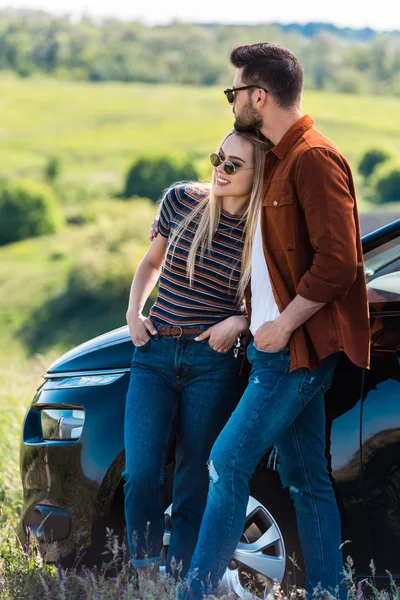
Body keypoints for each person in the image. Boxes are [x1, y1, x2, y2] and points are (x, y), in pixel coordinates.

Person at [174, 42, 370, 599]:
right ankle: (329, 593)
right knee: (307, 483)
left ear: (259, 96)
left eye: (235, 92)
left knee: (224, 462)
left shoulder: (312, 158)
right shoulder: (280, 157)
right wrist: (248, 318)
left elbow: (340, 263)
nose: (231, 102)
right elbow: (272, 262)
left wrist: (283, 323)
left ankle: (197, 593)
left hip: (293, 353)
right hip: (277, 348)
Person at [121, 129, 270, 584]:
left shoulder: (263, 229)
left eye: (232, 165)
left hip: (212, 363)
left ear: (257, 173)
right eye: (217, 158)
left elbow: (268, 303)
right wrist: (133, 313)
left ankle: (182, 582)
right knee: (141, 472)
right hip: (156, 351)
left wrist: (240, 322)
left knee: (193, 481)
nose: (219, 171)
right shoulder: (181, 201)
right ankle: (148, 576)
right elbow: (151, 264)